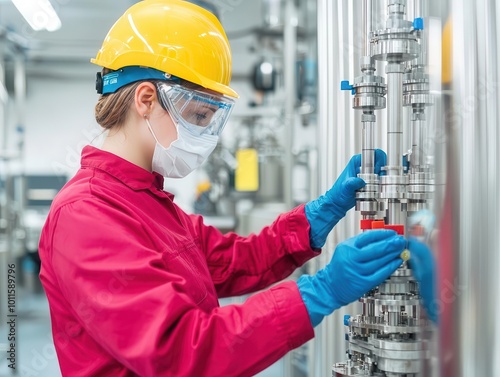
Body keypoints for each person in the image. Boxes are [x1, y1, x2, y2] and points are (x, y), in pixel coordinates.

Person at [38, 1, 407, 376]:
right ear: (146, 99)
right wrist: (321, 291)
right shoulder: (86, 216)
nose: (203, 135)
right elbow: (182, 352)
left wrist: (320, 214)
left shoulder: (147, 201)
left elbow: (235, 261)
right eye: (198, 116)